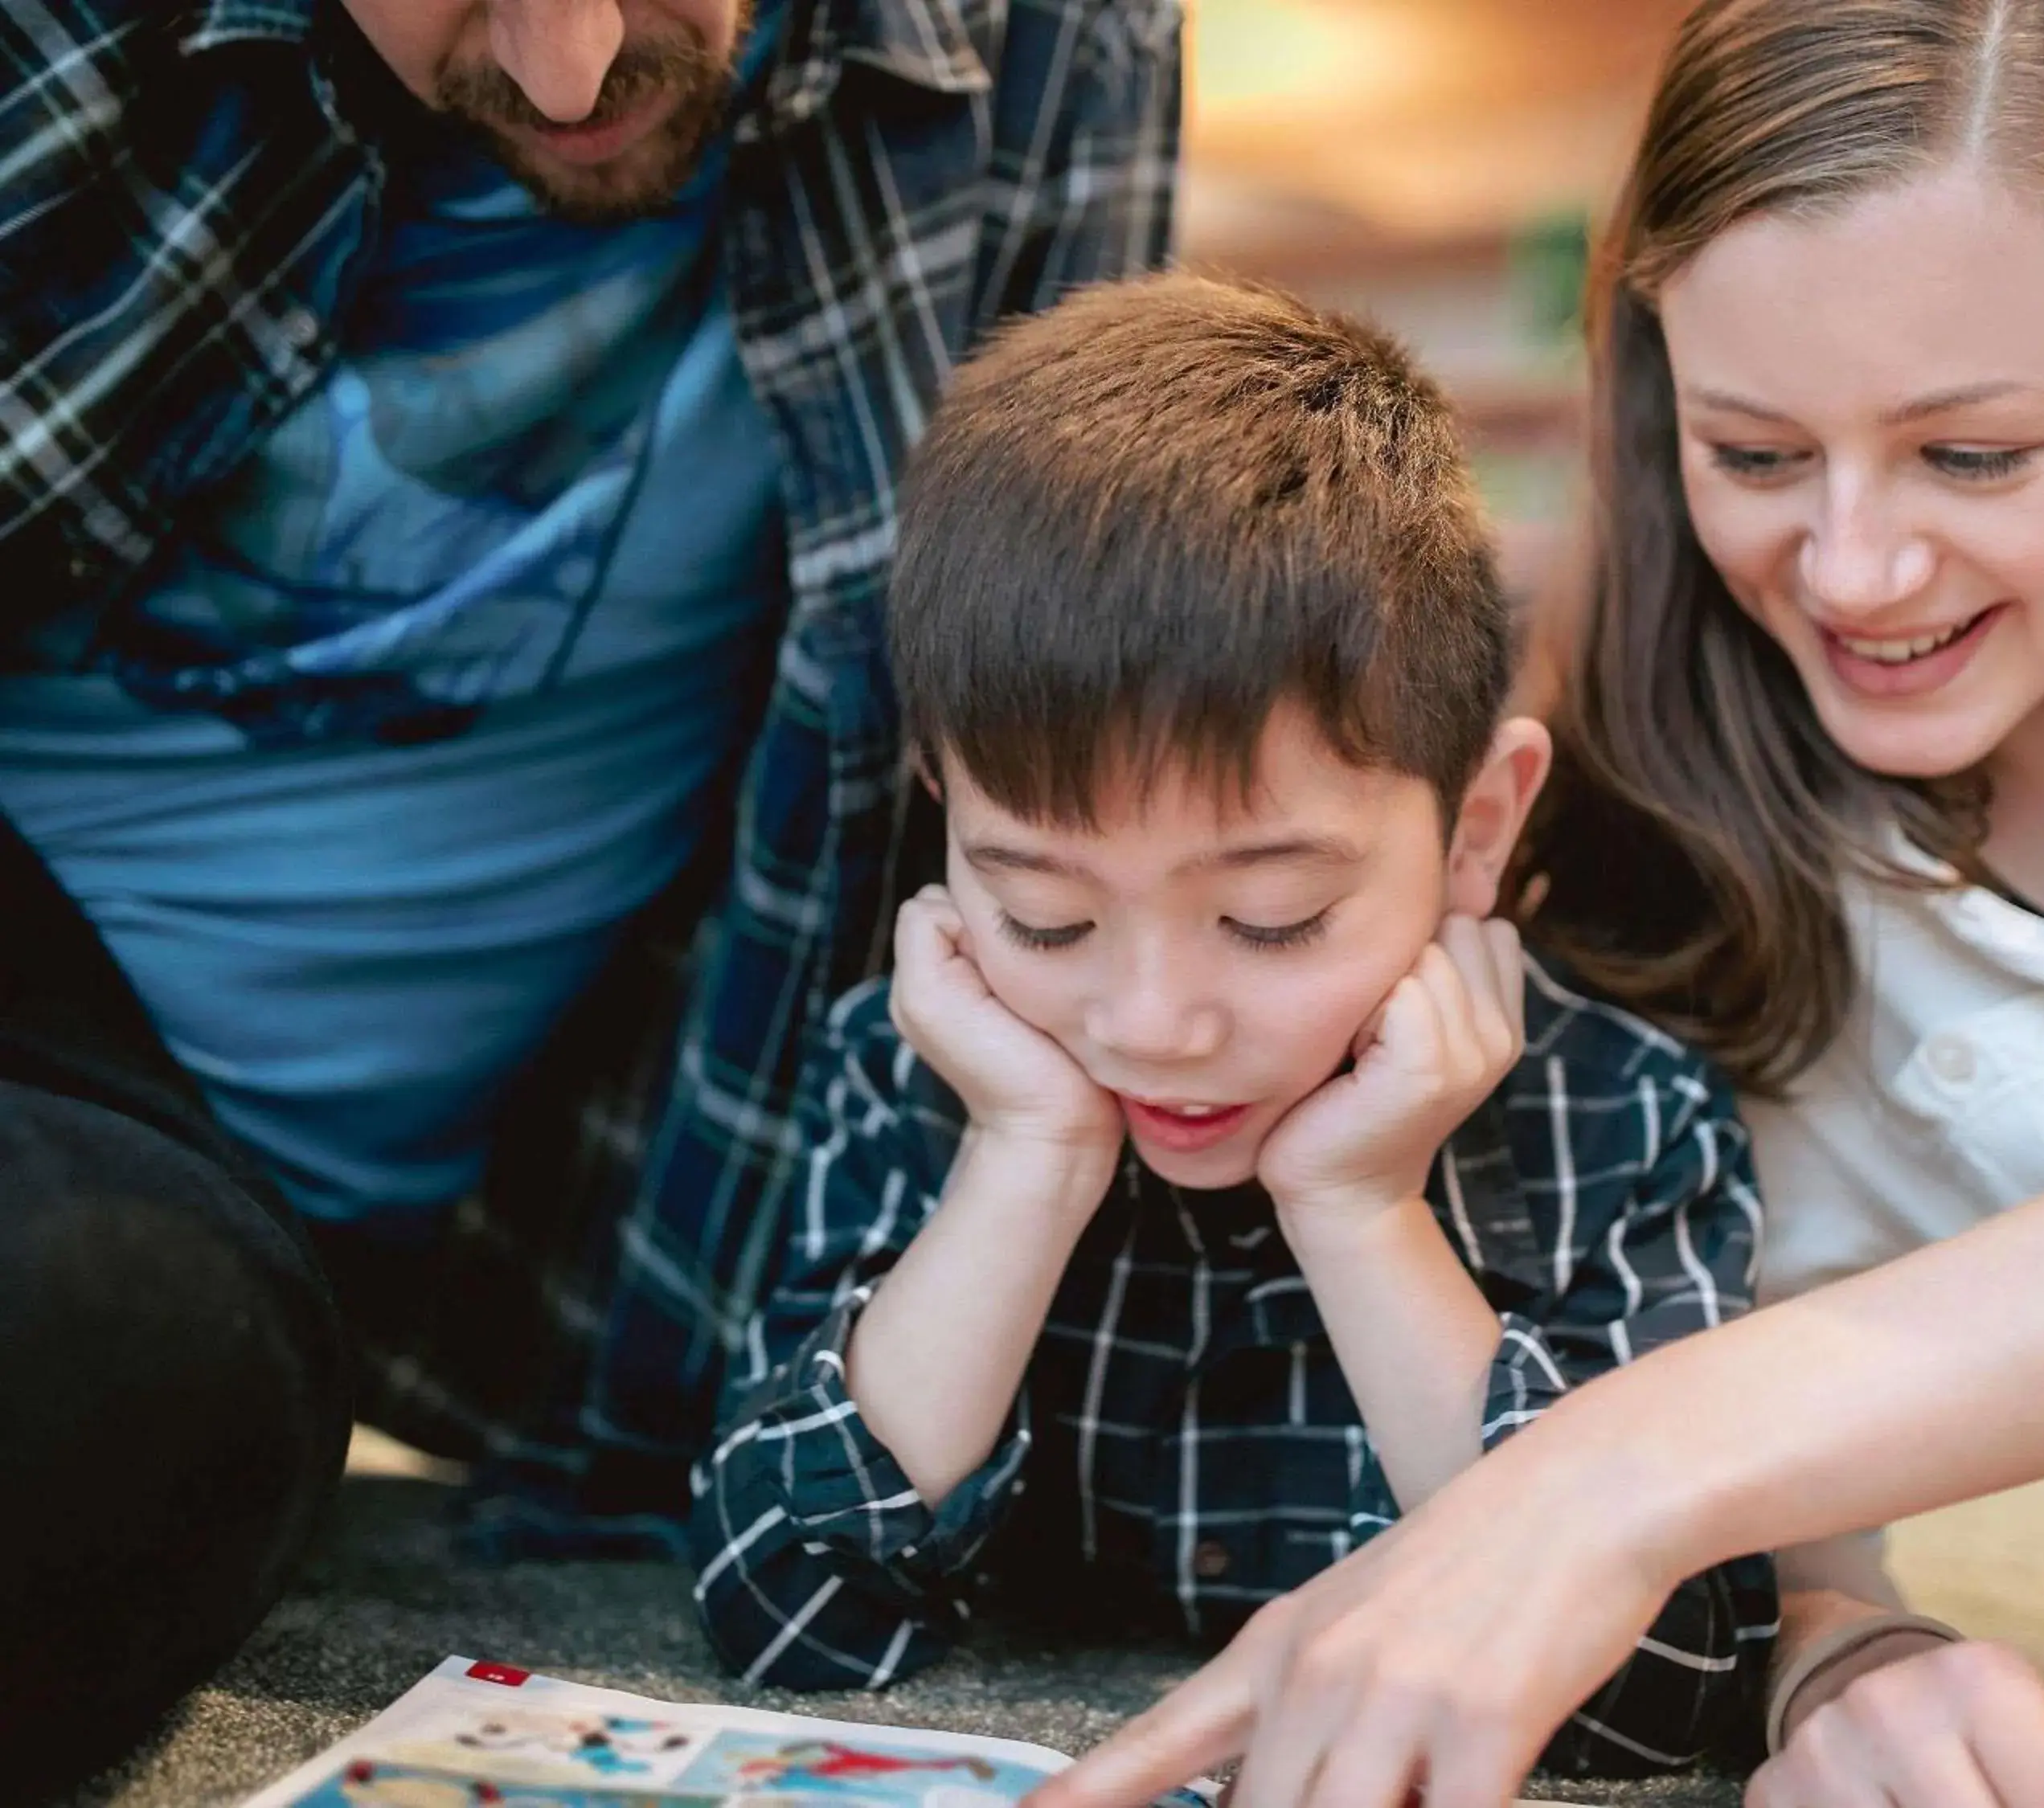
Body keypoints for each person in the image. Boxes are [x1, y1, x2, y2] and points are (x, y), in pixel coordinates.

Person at [1021, 3, 2044, 1807]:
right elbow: (1768, 1457)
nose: (1855, 570)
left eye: (1975, 455)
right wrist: (1847, 1651)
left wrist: (1609, 1470)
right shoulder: (1695, 889)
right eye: (1755, 455)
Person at [0, 0, 1174, 1788]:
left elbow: (1051, 736)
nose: (568, 73)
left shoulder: (1057, 42)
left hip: (395, 1258)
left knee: (128, 1362)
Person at [684, 272, 1779, 1774]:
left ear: (1475, 830)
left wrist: (1362, 1208)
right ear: (944, 812)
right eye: (1046, 915)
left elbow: (1655, 1693)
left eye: (1273, 919)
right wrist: (1025, 1158)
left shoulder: (1628, 1121)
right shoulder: (926, 1065)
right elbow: (784, 1609)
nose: (1154, 1026)